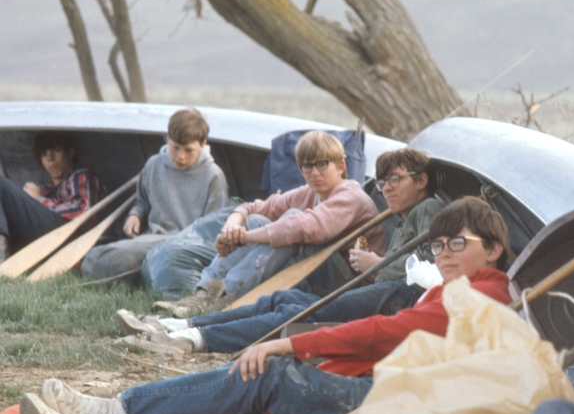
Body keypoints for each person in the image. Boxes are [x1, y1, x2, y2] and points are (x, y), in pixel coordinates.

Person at [19, 197, 512, 414]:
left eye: (457, 243)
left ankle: (118, 407)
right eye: (439, 245)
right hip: (392, 408)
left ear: (492, 249)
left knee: (271, 377)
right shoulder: (456, 290)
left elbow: (384, 331)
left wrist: (289, 347)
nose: (443, 254)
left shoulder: (482, 296)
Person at [115, 148, 445, 355]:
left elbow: (427, 272)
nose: (386, 187)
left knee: (291, 256)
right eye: (384, 180)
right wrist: (238, 219)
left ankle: (198, 328)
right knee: (277, 299)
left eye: (396, 180)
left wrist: (378, 264)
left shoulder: (426, 208)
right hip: (372, 290)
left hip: (377, 296)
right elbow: (260, 206)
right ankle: (177, 324)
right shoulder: (403, 216)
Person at [150, 130, 385, 315]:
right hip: (319, 271)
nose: (314, 173)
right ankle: (203, 293)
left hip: (353, 284)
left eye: (322, 164)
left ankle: (226, 296)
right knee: (255, 220)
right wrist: (232, 226)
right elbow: (256, 206)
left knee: (291, 220)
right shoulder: (311, 193)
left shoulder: (349, 195)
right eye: (306, 166)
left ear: (341, 166)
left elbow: (305, 227)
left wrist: (245, 238)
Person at [81, 108, 229, 281]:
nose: (180, 156)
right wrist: (135, 215)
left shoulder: (213, 176)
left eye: (188, 150)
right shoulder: (153, 164)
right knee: (96, 256)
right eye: (176, 148)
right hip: (151, 238)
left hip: (186, 247)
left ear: (203, 144)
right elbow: (142, 202)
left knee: (114, 260)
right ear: (168, 139)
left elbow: (212, 230)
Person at [0, 132, 106, 262]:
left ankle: (2, 253)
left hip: (67, 240)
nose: (50, 158)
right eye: (44, 154)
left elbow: (85, 214)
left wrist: (38, 200)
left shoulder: (80, 176)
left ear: (70, 153)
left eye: (56, 151)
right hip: (45, 241)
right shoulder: (48, 189)